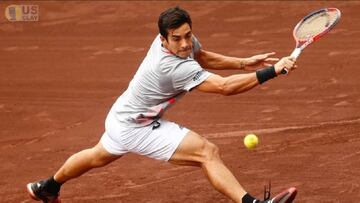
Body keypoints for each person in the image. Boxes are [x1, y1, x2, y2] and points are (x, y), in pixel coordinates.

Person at [27, 6, 297, 203]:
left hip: (121, 115)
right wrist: (273, 71)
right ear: (163, 39)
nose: (184, 43)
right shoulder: (170, 66)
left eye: (187, 35)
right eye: (176, 39)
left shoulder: (181, 41)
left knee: (98, 155)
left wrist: (242, 62)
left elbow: (200, 56)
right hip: (136, 126)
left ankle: (48, 186)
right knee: (207, 152)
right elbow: (224, 88)